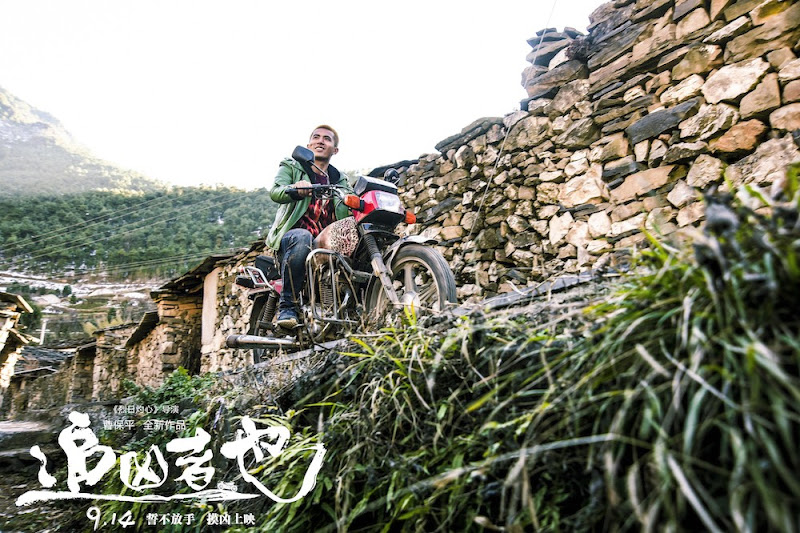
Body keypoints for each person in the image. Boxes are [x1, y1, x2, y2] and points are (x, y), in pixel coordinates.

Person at [264, 125, 357, 330]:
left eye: (327, 139)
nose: (320, 141)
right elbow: (276, 192)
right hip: (293, 239)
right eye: (316, 137)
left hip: (324, 242)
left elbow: (352, 202)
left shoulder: (339, 180)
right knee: (302, 237)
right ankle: (287, 308)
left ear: (335, 150)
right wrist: (294, 189)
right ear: (308, 145)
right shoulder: (292, 166)